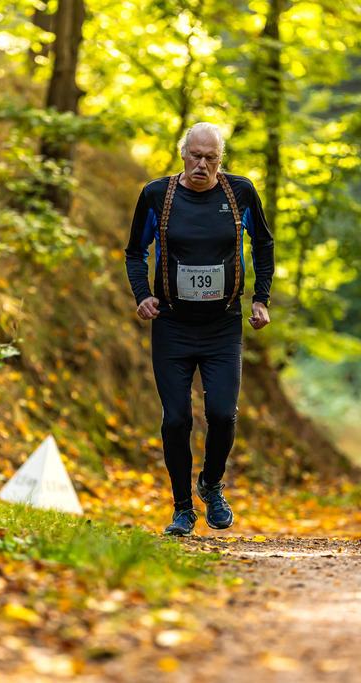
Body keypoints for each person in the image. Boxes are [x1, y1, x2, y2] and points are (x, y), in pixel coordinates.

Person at [124, 122, 274, 536]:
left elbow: (263, 244)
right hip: (172, 324)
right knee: (176, 421)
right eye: (195, 155)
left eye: (211, 158)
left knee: (223, 415)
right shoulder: (157, 195)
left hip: (222, 326)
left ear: (220, 161)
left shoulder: (240, 193)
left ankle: (210, 484)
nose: (202, 165)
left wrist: (261, 298)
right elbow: (134, 252)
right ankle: (182, 509)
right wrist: (142, 295)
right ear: (183, 153)